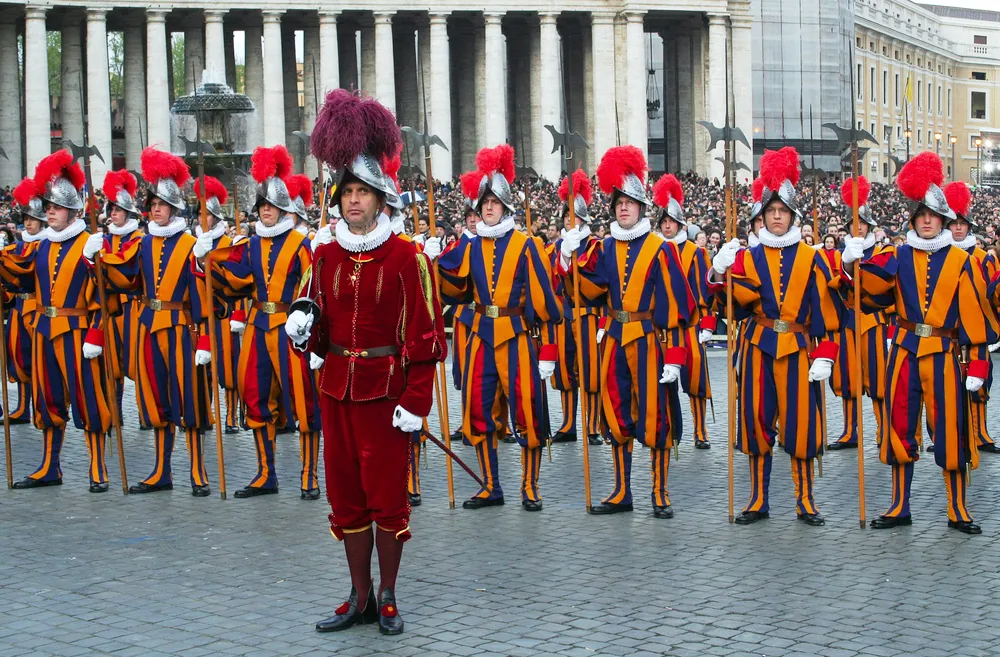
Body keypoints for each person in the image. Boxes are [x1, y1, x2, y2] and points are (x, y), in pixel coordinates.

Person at [286, 89, 446, 635]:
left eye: (363, 192)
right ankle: (357, 595)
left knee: (386, 499)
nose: (354, 201)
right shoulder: (323, 252)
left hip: (386, 394)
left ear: (381, 199)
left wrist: (416, 401)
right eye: (347, 192)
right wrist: (302, 332)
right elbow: (315, 321)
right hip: (337, 389)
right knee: (346, 497)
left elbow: (426, 335)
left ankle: (388, 594)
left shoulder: (407, 256)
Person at [851, 152, 997, 534]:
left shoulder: (963, 262)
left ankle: (957, 508)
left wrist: (978, 367)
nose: (928, 220)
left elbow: (976, 319)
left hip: (946, 356)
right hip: (903, 352)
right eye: (921, 215)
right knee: (899, 426)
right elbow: (868, 296)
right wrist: (854, 262)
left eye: (934, 215)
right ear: (913, 219)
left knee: (951, 431)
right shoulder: (896, 255)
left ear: (945, 220)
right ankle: (899, 505)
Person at [560, 146, 694, 518]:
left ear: (641, 207)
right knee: (616, 414)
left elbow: (677, 309)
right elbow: (587, 290)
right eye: (618, 201)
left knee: (656, 415)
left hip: (650, 341)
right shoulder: (603, 247)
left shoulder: (661, 249)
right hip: (615, 340)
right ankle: (621, 490)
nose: (623, 208)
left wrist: (676, 358)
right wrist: (569, 258)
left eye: (630, 202)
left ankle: (660, 491)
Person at [710, 146, 840, 526]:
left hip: (799, 347)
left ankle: (805, 499)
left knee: (802, 424)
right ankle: (757, 498)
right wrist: (720, 274)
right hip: (757, 347)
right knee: (755, 421)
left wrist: (827, 354)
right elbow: (728, 307)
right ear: (762, 216)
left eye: (783, 211)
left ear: (793, 216)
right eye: (771, 211)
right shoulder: (746, 256)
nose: (777, 216)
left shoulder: (812, 256)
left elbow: (828, 312)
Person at [435, 144, 562, 511]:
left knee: (527, 410)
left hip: (517, 337)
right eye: (483, 203)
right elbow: (454, 291)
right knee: (476, 410)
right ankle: (491, 484)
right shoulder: (469, 245)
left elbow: (546, 305)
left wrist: (549, 353)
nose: (488, 208)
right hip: (479, 338)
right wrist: (434, 258)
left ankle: (530, 485)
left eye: (494, 202)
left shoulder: (526, 245)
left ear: (506, 207)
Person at [88, 147, 213, 497]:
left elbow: (202, 293)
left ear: (173, 207)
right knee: (155, 399)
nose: (154, 208)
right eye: (152, 203)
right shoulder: (141, 244)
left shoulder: (191, 244)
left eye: (160, 203)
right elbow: (125, 278)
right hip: (147, 326)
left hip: (178, 327)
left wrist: (203, 338)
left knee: (189, 398)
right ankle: (161, 471)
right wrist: (94, 259)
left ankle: (197, 471)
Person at [198, 151, 322, 500]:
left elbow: (313, 285)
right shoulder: (250, 244)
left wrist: (306, 317)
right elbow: (236, 280)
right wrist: (207, 257)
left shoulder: (301, 244)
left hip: (289, 326)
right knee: (254, 395)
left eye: (271, 205)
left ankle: (309, 475)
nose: (266, 210)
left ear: (284, 209)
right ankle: (266, 473)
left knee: (302, 400)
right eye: (262, 205)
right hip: (256, 324)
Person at [0, 151, 112, 492]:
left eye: (56, 207)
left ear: (74, 211)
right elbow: (18, 274)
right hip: (44, 331)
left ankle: (98, 467)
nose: (49, 211)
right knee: (47, 399)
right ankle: (51, 466)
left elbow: (106, 299)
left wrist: (97, 262)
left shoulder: (88, 243)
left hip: (78, 332)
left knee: (88, 397)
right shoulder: (43, 245)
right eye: (47, 205)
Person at [827, 177, 889, 451]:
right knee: (847, 378)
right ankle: (850, 430)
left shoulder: (882, 252)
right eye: (855, 224)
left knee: (878, 379)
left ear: (870, 227)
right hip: (848, 321)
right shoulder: (839, 255)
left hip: (874, 321)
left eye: (863, 224)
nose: (859, 227)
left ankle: (882, 428)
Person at [654, 174, 715, 449]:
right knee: (665, 381)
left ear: (680, 223)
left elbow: (704, 290)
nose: (667, 225)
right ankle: (670, 428)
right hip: (664, 327)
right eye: (663, 221)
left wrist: (707, 323)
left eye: (671, 221)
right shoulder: (654, 251)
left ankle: (700, 430)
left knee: (695, 380)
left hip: (690, 325)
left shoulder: (696, 252)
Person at [547, 169, 604, 446]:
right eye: (566, 218)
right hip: (562, 317)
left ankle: (592, 425)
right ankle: (569, 423)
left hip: (588, 316)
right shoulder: (553, 249)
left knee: (590, 372)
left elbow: (597, 283)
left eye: (575, 217)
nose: (571, 221)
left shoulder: (594, 247)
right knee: (564, 372)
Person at [943, 180, 1000, 455]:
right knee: (950, 386)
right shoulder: (939, 258)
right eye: (953, 223)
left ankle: (981, 434)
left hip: (975, 333)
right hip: (948, 333)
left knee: (980, 386)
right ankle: (954, 435)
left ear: (969, 227)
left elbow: (994, 295)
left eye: (962, 224)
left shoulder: (983, 258)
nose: (957, 227)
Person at [192, 175, 242, 436]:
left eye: (207, 214)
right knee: (202, 368)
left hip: (225, 316)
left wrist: (239, 315)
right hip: (201, 316)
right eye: (199, 214)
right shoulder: (195, 245)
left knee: (229, 368)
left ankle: (232, 415)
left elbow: (238, 282)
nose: (203, 219)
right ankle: (205, 413)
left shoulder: (228, 245)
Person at [101, 170, 144, 423]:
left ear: (128, 213)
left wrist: (102, 258)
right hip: (111, 308)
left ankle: (143, 410)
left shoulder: (138, 239)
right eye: (112, 209)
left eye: (118, 209)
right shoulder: (105, 239)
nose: (113, 213)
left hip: (133, 308)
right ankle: (115, 412)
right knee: (112, 361)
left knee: (137, 360)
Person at [4, 178, 47, 425]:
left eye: (33, 219)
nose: (28, 223)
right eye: (26, 218)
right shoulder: (18, 245)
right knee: (18, 358)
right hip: (19, 308)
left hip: (38, 308)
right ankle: (22, 407)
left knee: (40, 360)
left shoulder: (46, 245)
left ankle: (42, 405)